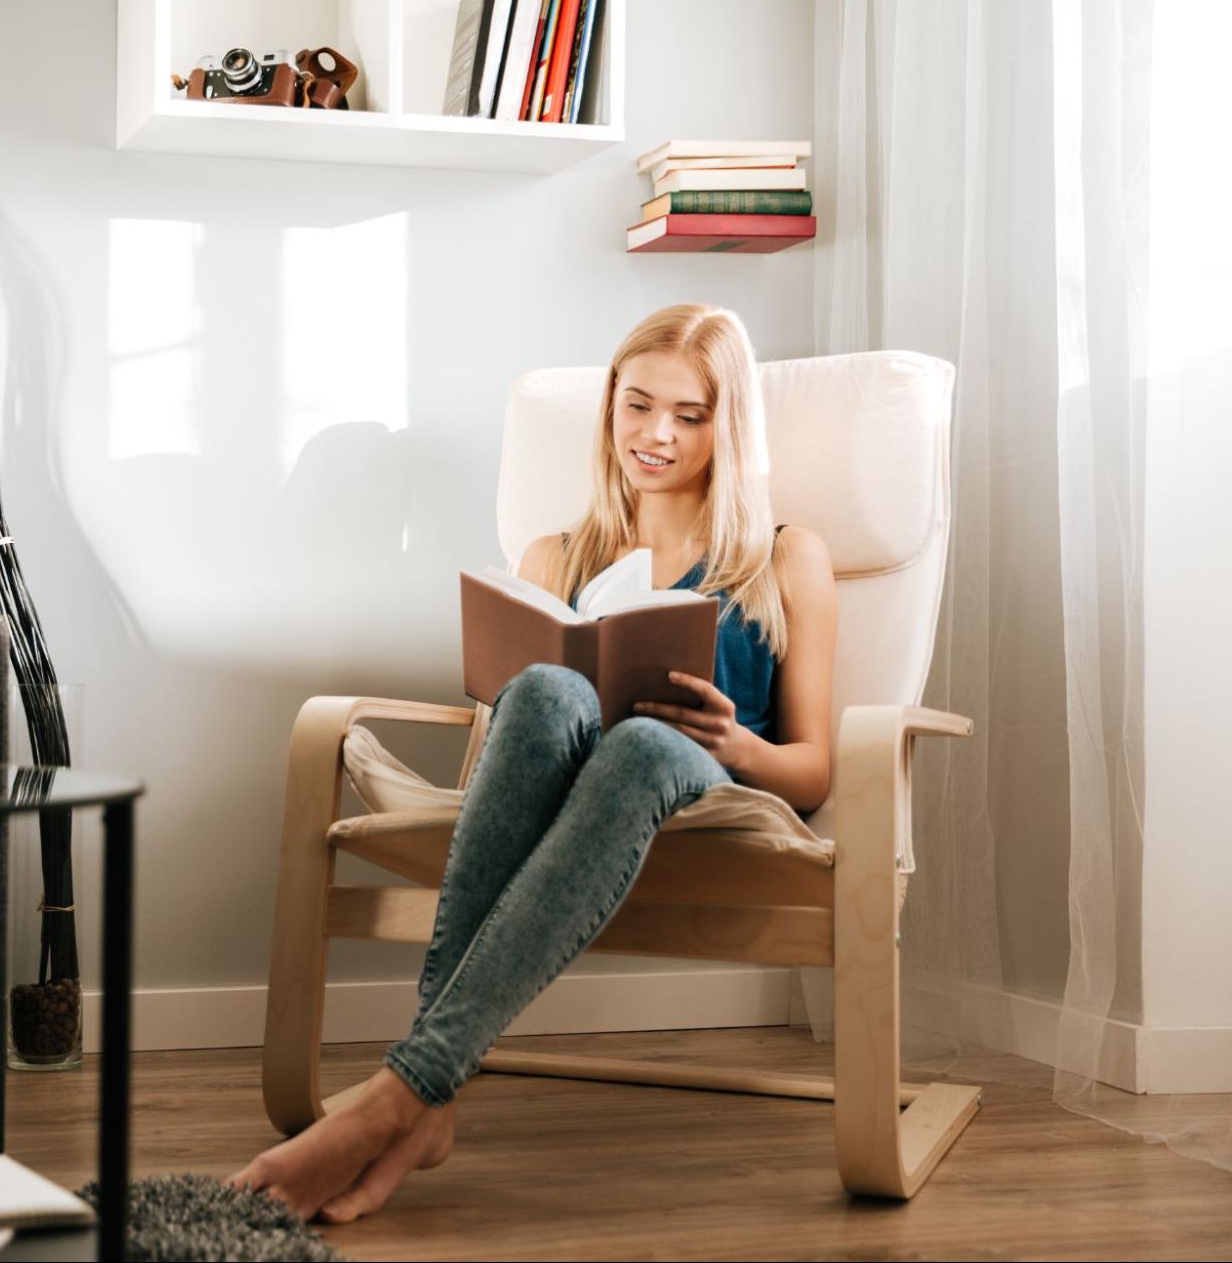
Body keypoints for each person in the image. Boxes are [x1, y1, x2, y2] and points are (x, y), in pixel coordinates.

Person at [228, 303, 838, 1222]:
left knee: (639, 742)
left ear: (727, 423)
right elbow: (514, 741)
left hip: (706, 791)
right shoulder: (555, 553)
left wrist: (734, 741)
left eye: (689, 414)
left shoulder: (784, 557)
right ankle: (426, 1102)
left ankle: (409, 1091)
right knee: (552, 695)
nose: (657, 434)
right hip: (571, 795)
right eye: (637, 405)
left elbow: (815, 770)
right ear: (609, 407)